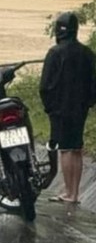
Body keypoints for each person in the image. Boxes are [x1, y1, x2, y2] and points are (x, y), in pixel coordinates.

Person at [40, 12, 96, 204]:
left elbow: (45, 85)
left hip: (60, 109)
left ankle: (67, 192)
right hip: (80, 108)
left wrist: (49, 107)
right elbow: (93, 83)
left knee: (65, 149)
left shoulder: (55, 53)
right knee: (77, 148)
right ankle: (75, 193)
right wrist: (89, 103)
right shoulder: (88, 53)